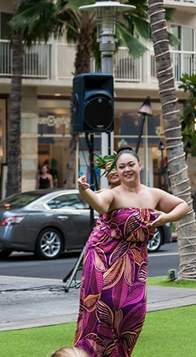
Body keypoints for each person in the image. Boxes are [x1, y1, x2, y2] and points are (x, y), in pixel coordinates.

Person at [74, 146, 188, 356]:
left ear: (139, 165)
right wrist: (84, 190)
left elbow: (182, 205)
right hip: (103, 256)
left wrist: (166, 218)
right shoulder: (113, 194)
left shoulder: (152, 194)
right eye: (122, 166)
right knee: (104, 310)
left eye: (131, 165)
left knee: (134, 311)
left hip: (135, 260)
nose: (127, 169)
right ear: (116, 171)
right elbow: (99, 205)